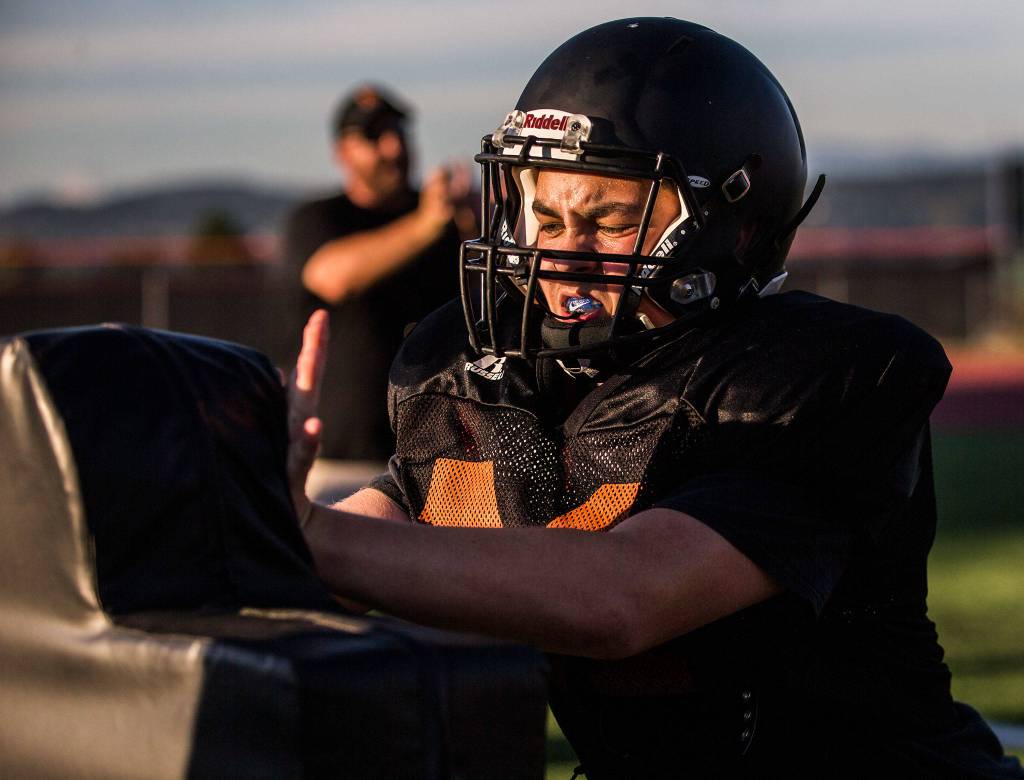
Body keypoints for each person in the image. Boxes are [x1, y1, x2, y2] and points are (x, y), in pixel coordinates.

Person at [285, 19, 1024, 778]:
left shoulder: (809, 381)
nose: (559, 254)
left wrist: (316, 536)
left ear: (733, 231)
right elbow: (376, 524)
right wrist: (246, 508)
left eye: (606, 220)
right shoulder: (477, 369)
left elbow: (621, 598)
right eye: (544, 215)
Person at [284, 84, 468, 460]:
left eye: (398, 132)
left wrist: (474, 226)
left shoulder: (445, 217)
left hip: (435, 456)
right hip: (340, 456)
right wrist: (425, 225)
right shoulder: (318, 218)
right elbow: (333, 276)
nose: (393, 147)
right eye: (374, 136)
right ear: (341, 152)